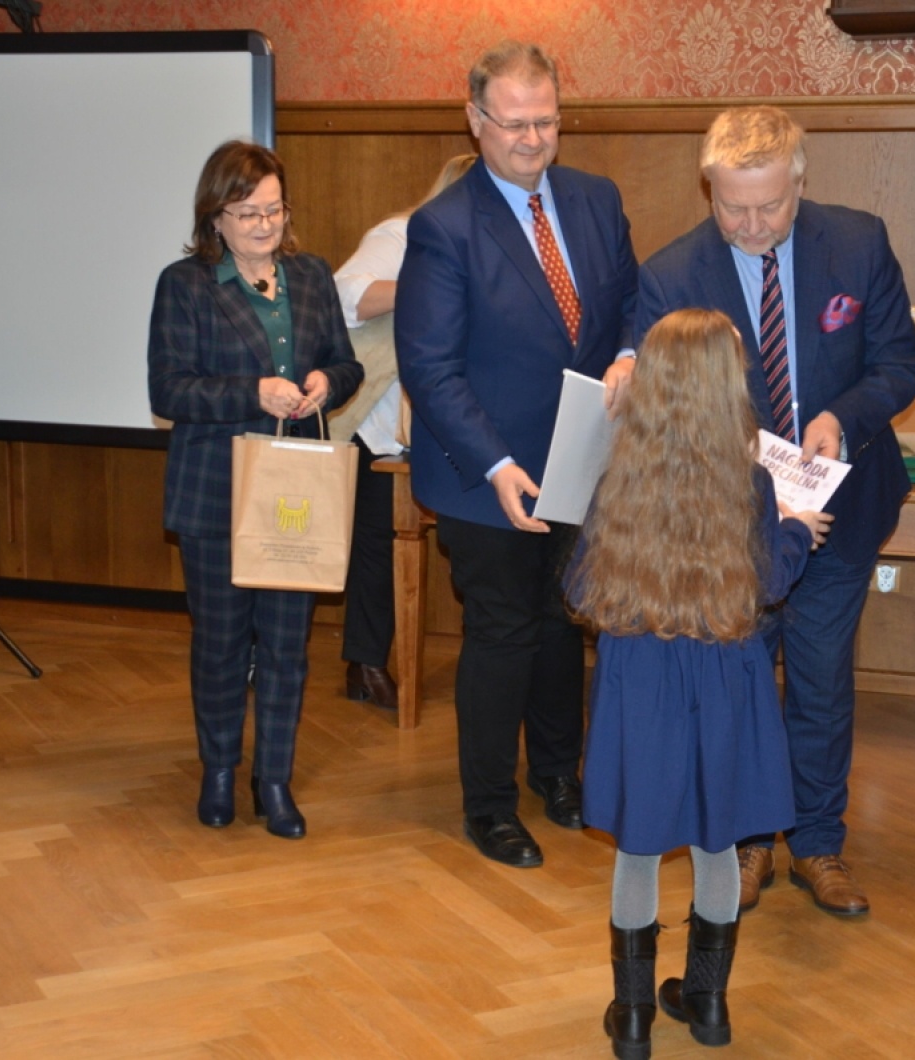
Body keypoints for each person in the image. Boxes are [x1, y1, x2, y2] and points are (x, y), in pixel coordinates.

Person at [635, 105, 915, 916]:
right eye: (734, 207)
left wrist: (843, 417)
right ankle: (750, 841)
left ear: (799, 182)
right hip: (732, 527)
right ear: (710, 188)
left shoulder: (858, 243)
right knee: (741, 689)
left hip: (841, 509)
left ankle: (819, 842)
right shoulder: (671, 275)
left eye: (769, 205)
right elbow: (663, 403)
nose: (752, 225)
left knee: (822, 680)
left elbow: (900, 363)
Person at [394, 41, 638, 868]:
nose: (533, 140)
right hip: (485, 472)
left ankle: (559, 776)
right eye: (514, 124)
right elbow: (430, 368)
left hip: (581, 458)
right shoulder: (443, 227)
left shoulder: (597, 200)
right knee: (502, 632)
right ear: (475, 120)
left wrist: (630, 354)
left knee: (564, 622)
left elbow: (632, 301)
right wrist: (497, 466)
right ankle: (490, 805)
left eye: (547, 122)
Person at [571, 309, 827, 1054]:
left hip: (639, 682)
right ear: (725, 389)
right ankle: (708, 1005)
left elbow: (582, 589)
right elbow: (767, 585)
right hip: (725, 678)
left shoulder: (619, 480)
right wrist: (794, 530)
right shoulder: (749, 484)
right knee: (719, 840)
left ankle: (633, 1017)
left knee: (638, 849)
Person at [148, 140, 362, 839]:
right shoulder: (184, 285)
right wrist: (254, 392)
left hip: (294, 488)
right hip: (215, 490)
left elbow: (347, 363)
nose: (265, 225)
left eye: (274, 210)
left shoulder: (312, 275)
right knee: (219, 642)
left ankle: (273, 779)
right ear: (215, 217)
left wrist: (327, 381)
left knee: (286, 645)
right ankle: (218, 771)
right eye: (248, 214)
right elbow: (168, 390)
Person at [329, 152, 477, 712]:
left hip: (446, 425)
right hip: (380, 423)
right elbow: (345, 294)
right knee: (375, 545)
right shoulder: (400, 235)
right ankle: (365, 663)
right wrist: (429, 277)